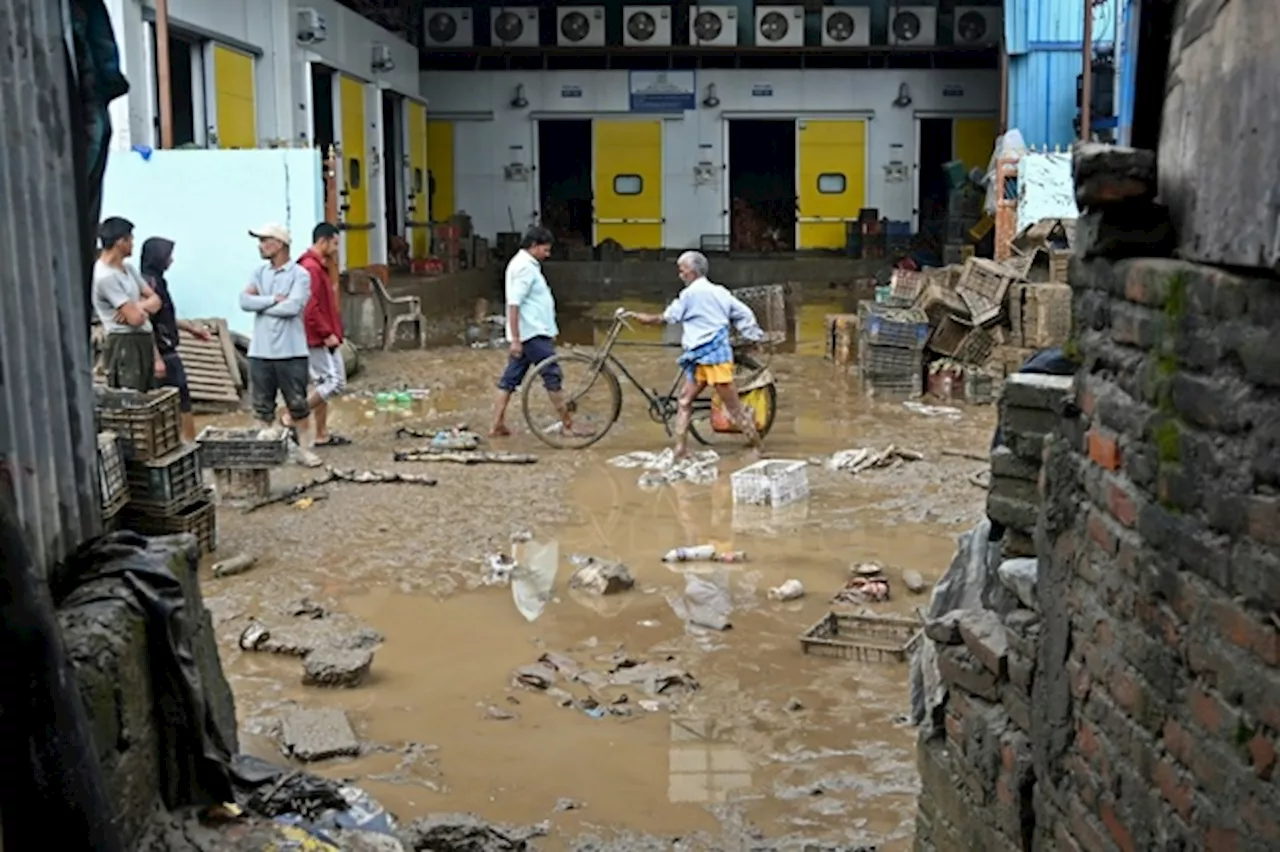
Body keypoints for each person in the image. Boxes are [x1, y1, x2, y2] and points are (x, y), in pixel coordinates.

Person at [630, 250, 766, 459]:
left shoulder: (690, 294)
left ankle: (757, 446)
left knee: (733, 406)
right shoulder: (720, 291)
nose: (680, 275)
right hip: (701, 358)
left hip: (714, 358)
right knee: (685, 400)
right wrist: (752, 334)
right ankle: (680, 449)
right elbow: (744, 313)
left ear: (692, 272)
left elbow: (667, 317)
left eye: (682, 271)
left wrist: (640, 317)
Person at [489, 226, 586, 438]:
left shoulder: (525, 264)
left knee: (510, 379)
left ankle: (497, 424)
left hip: (529, 332)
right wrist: (515, 339)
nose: (548, 254)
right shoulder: (524, 267)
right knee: (553, 375)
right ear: (534, 246)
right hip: (532, 333)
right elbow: (514, 304)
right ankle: (568, 425)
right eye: (545, 249)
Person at [239, 223, 322, 467]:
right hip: (260, 351)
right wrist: (272, 300)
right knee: (262, 405)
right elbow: (244, 301)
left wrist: (262, 305)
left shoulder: (300, 275)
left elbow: (293, 307)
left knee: (298, 403)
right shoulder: (258, 273)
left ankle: (305, 450)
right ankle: (268, 449)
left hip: (291, 351)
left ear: (280, 244)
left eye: (266, 241)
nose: (261, 246)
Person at [139, 237, 212, 441]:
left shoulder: (157, 280)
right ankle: (188, 443)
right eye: (168, 256)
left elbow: (165, 317)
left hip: (166, 350)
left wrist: (189, 328)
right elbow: (146, 324)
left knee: (178, 400)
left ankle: (185, 442)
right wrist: (156, 358)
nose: (171, 260)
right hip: (163, 353)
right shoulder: (149, 284)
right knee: (180, 401)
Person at [285, 222, 351, 447]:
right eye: (334, 244)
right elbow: (310, 307)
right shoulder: (311, 268)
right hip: (317, 337)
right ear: (323, 241)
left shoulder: (315, 266)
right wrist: (326, 333)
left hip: (319, 334)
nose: (336, 249)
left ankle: (321, 433)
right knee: (335, 383)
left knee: (323, 384)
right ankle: (291, 416)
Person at [92, 217, 164, 391]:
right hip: (124, 343)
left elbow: (156, 301)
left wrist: (138, 306)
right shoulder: (105, 276)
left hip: (143, 339)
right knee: (131, 397)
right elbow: (135, 320)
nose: (132, 243)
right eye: (130, 239)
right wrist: (140, 308)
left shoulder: (128, 269)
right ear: (120, 242)